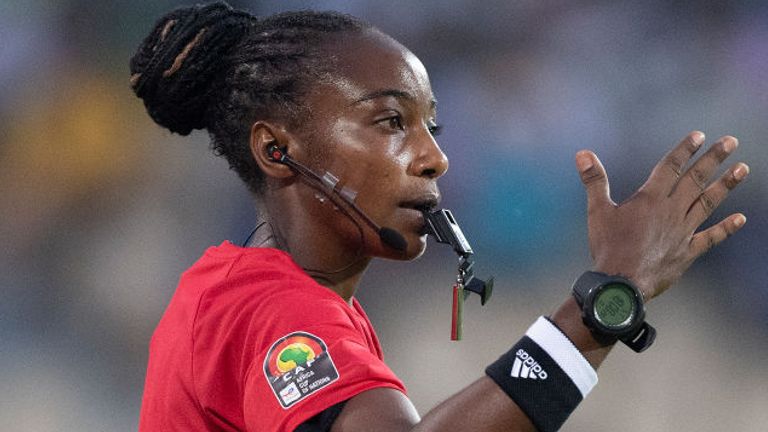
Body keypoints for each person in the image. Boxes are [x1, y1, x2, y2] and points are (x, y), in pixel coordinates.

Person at [131, 3, 750, 431]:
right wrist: (603, 304)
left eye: (434, 126)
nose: (435, 157)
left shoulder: (242, 290)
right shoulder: (273, 309)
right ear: (277, 150)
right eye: (391, 122)